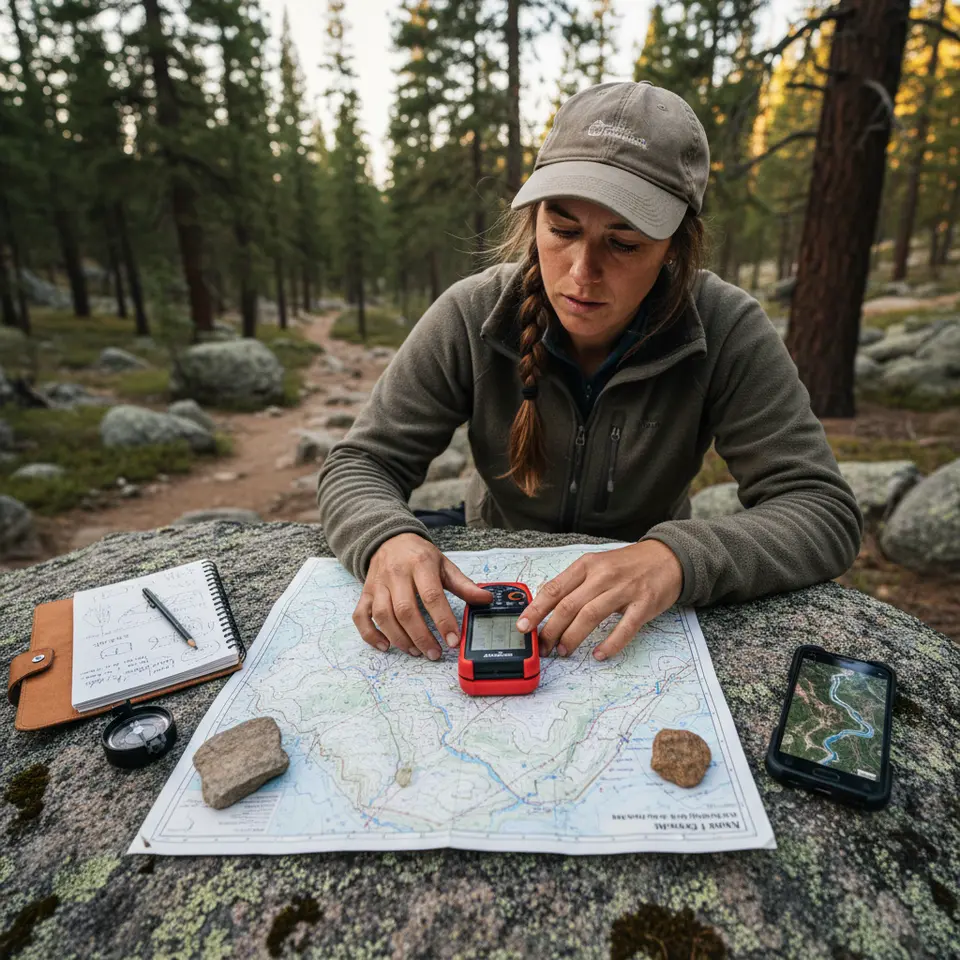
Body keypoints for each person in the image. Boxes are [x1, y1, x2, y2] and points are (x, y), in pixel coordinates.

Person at [317, 80, 862, 665]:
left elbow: (820, 510)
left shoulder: (726, 328)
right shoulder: (472, 313)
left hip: (638, 583)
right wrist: (388, 538)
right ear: (534, 220)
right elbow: (362, 462)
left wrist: (675, 559)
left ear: (675, 246)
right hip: (496, 563)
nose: (582, 273)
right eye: (564, 229)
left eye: (624, 243)